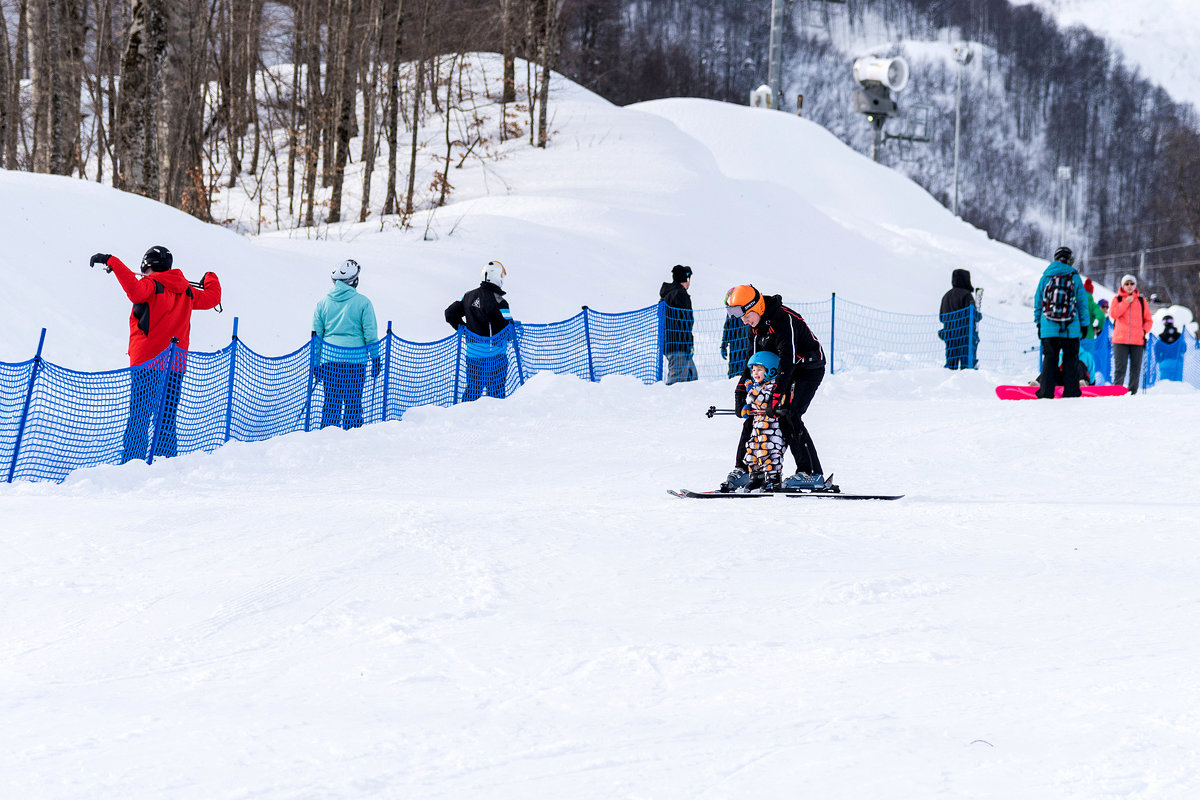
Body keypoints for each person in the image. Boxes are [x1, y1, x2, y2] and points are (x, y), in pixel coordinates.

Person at [89, 246, 221, 463]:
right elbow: (212, 298)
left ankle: (133, 463)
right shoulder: (186, 291)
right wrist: (210, 277)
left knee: (139, 417)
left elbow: (134, 290)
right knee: (166, 417)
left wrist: (111, 260)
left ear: (146, 265)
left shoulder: (150, 284)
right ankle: (165, 463)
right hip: (175, 364)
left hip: (147, 364)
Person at [720, 284, 830, 492]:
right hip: (779, 370)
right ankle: (746, 470)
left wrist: (775, 397)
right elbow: (750, 362)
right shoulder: (754, 326)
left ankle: (811, 474)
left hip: (807, 368)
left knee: (788, 413)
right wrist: (740, 393)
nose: (743, 320)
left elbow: (788, 362)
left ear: (756, 306)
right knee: (754, 413)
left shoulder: (782, 319)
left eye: (744, 314)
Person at [312, 259, 380, 430]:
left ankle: (327, 438)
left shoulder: (322, 304)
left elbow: (317, 338)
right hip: (355, 363)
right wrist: (375, 358)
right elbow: (370, 334)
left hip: (330, 362)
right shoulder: (363, 303)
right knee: (353, 403)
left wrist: (315, 364)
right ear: (354, 280)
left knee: (331, 405)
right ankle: (353, 440)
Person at [445, 260, 514, 402]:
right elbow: (508, 330)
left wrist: (463, 328)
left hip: (473, 356)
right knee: (496, 394)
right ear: (497, 276)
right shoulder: (500, 301)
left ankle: (462, 417)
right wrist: (516, 328)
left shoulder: (468, 296)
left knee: (473, 391)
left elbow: (450, 313)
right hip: (495, 357)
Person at [1034, 246, 1089, 399]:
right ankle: (1071, 392)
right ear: (1069, 260)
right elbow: (1082, 303)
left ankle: (1045, 392)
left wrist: (1039, 323)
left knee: (1050, 358)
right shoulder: (1074, 277)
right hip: (1070, 328)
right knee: (1070, 358)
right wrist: (1084, 325)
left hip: (1048, 327)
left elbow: (1038, 301)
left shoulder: (1046, 276)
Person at [738, 351, 786, 491]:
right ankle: (756, 477)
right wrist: (747, 408)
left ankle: (773, 479)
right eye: (753, 370)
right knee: (752, 450)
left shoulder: (773, 386)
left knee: (769, 453)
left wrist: (750, 390)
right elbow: (754, 403)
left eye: (759, 369)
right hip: (757, 428)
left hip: (771, 431)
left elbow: (763, 400)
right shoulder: (759, 386)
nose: (755, 373)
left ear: (771, 370)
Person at [1109, 273, 1154, 394]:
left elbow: (1148, 320)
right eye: (1127, 284)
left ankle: (1132, 392)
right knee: (1120, 368)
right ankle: (1117, 391)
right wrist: (1126, 302)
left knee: (1136, 368)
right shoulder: (1117, 299)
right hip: (1120, 340)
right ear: (1123, 286)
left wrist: (1143, 331)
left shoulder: (1141, 301)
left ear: (1135, 285)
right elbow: (1113, 314)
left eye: (1132, 283)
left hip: (1137, 340)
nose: (1129, 286)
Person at [660, 264, 697, 384]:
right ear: (686, 279)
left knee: (692, 377)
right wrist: (688, 344)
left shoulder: (667, 295)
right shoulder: (680, 294)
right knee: (677, 383)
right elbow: (686, 321)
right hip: (679, 345)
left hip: (674, 343)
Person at [938, 268, 980, 369]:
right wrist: (979, 315)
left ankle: (949, 381)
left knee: (950, 363)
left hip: (949, 334)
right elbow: (972, 315)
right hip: (964, 335)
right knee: (966, 365)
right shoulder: (967, 295)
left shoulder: (946, 296)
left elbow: (941, 317)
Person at [1154, 315, 1185, 382]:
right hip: (1177, 362)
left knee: (1165, 384)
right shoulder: (1179, 336)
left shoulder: (1161, 337)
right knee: (1178, 384)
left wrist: (1159, 359)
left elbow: (1157, 350)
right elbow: (1184, 348)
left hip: (1165, 362)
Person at [720, 313, 750, 379]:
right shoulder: (732, 308)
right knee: (734, 373)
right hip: (735, 347)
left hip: (748, 345)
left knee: (747, 371)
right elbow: (728, 326)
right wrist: (724, 344)